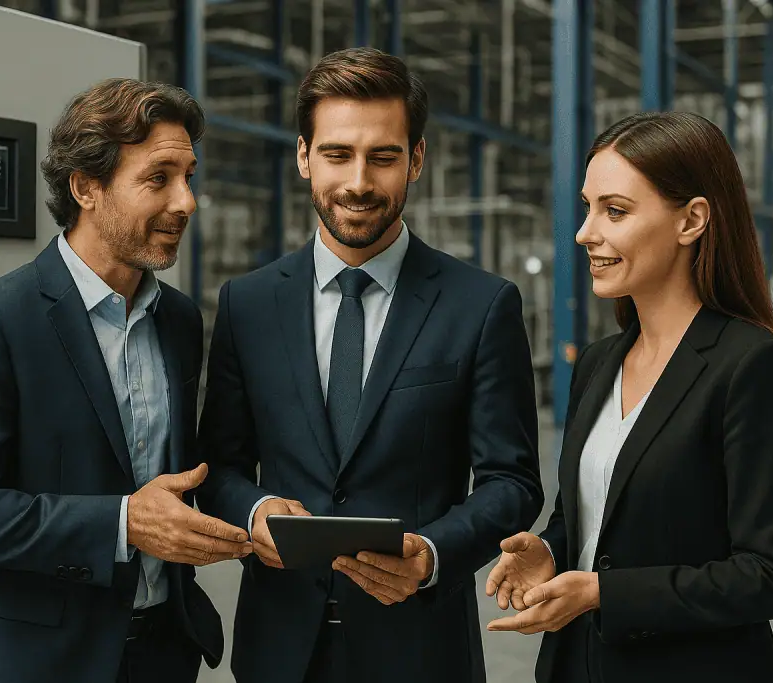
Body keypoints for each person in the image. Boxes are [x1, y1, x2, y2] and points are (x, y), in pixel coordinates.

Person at [195, 47, 544, 683]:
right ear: (304, 156)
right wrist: (254, 510)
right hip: (279, 648)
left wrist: (432, 553)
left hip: (419, 647)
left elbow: (512, 483)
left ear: (416, 160)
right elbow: (218, 464)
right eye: (337, 154)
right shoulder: (246, 305)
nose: (358, 181)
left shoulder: (481, 305)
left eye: (382, 157)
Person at [0, 78, 253, 683]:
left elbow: (181, 474)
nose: (187, 202)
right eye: (159, 178)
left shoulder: (177, 320)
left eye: (189, 176)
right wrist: (123, 522)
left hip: (159, 652)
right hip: (33, 661)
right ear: (87, 187)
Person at [484, 111, 773, 683]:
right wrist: (551, 553)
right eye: (587, 208)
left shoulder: (752, 367)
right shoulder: (597, 364)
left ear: (692, 220)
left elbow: (770, 574)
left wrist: (605, 593)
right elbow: (587, 516)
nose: (586, 232)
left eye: (615, 211)